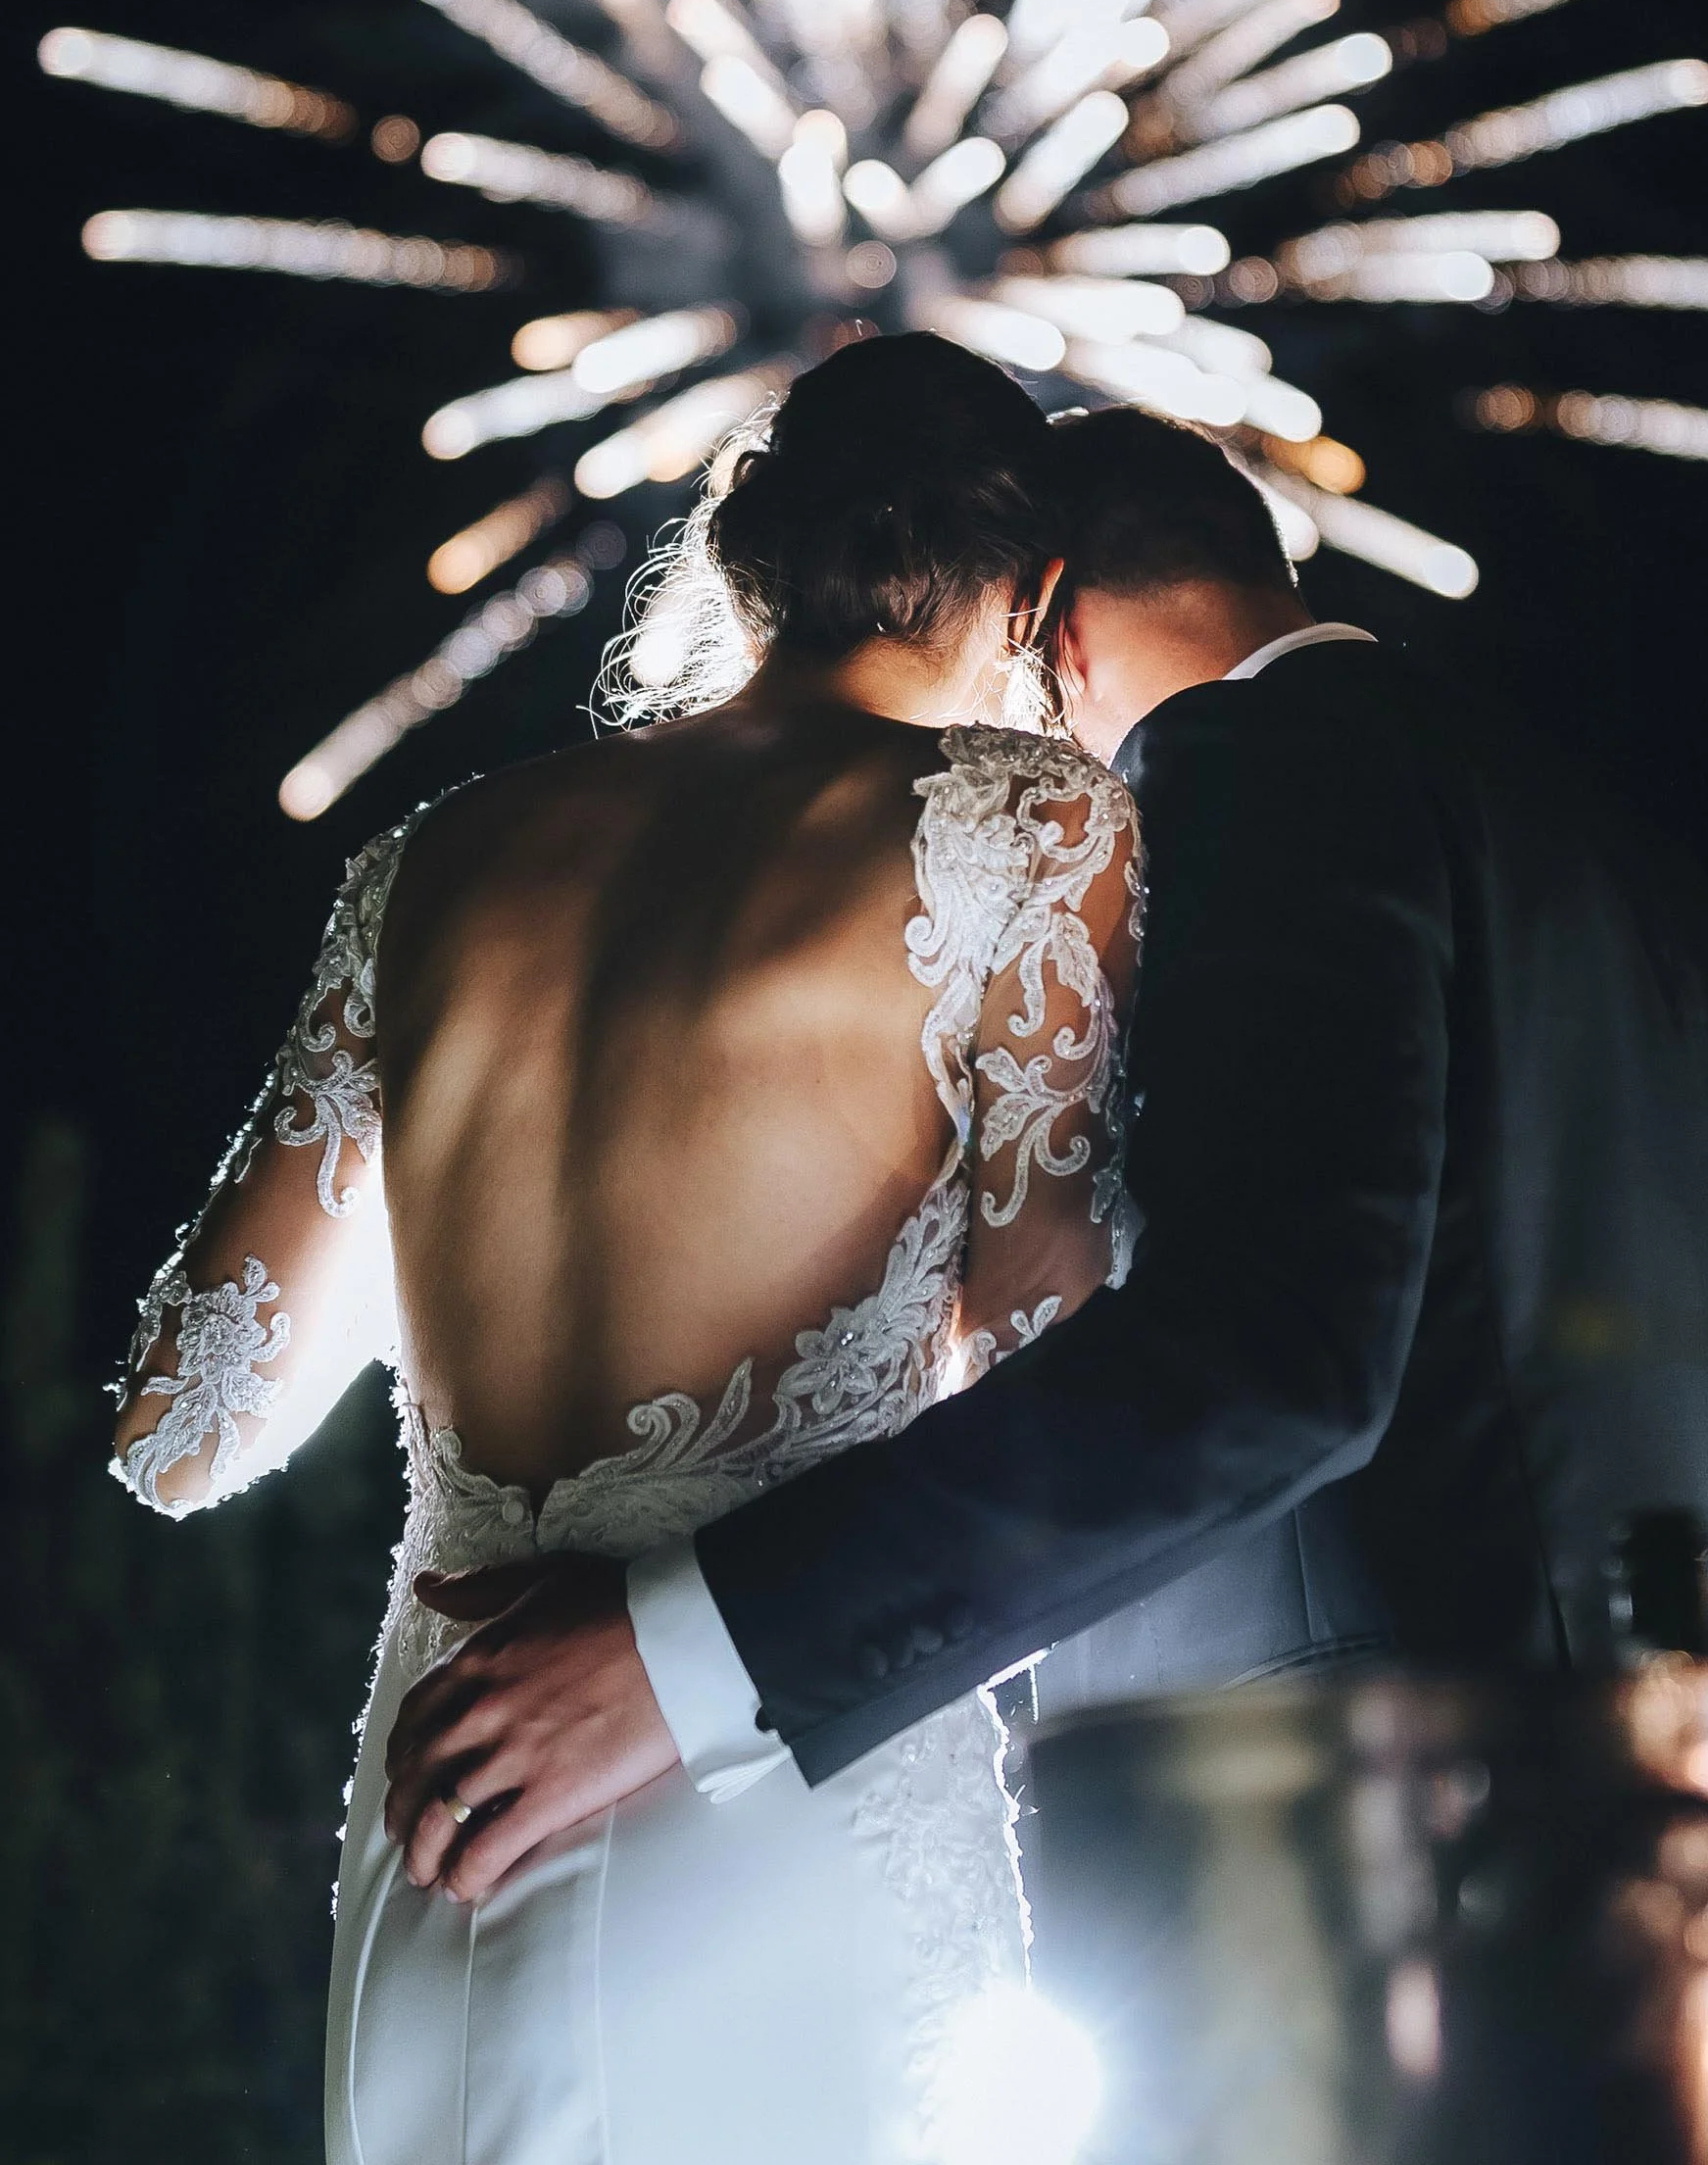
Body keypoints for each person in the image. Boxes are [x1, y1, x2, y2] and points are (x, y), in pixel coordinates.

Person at [392, 404, 1708, 2161]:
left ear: (1042, 624)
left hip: (1448, 1948)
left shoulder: (1259, 776)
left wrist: (695, 1651)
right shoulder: (1666, 895)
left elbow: (1270, 1356)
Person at [109, 332, 1145, 2165]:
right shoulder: (1027, 823)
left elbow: (186, 1432)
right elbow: (1065, 1350)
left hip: (445, 1811)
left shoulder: (428, 864)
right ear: (1035, 590)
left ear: (741, 554)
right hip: (779, 1789)